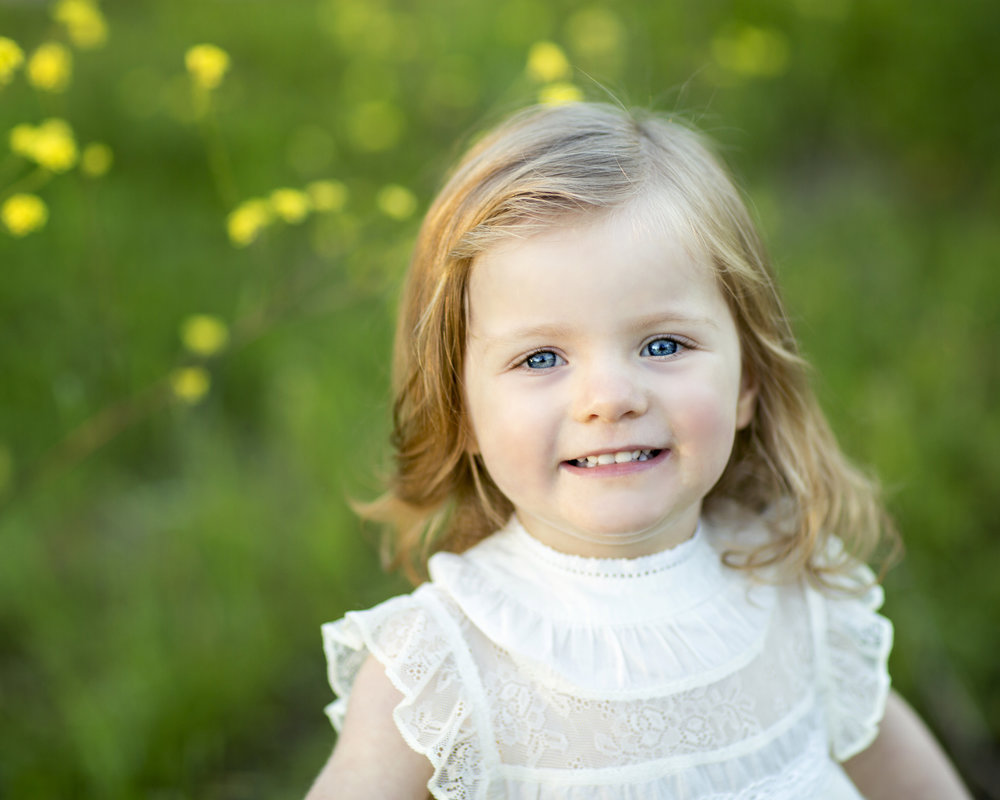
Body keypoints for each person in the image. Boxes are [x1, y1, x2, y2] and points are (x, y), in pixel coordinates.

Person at [306, 102, 970, 799]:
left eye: (663, 345)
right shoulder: (441, 668)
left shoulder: (793, 588)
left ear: (749, 379)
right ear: (461, 409)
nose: (610, 398)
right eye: (540, 359)